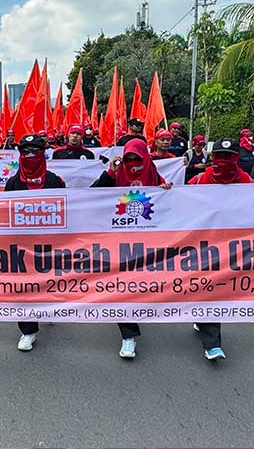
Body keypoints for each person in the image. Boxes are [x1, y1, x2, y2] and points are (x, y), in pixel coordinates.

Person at [91, 138, 172, 359]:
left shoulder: (153, 172)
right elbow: (91, 194)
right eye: (129, 158)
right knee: (122, 286)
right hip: (120, 239)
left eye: (138, 158)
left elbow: (168, 199)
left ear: (145, 157)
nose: (133, 162)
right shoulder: (116, 174)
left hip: (149, 240)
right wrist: (109, 173)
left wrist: (166, 188)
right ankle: (128, 336)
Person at [187, 138, 254, 360]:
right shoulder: (199, 181)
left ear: (237, 159)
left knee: (217, 289)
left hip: (233, 245)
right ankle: (212, 343)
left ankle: (205, 327)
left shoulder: (247, 183)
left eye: (228, 157)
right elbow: (180, 203)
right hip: (204, 245)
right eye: (219, 156)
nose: (223, 161)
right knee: (209, 288)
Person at [4, 135, 66, 351]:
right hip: (22, 247)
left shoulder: (55, 181)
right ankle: (28, 331)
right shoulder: (13, 183)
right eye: (25, 151)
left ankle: (48, 308)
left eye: (35, 151)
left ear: (43, 154)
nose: (30, 156)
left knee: (47, 284)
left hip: (49, 246)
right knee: (24, 289)